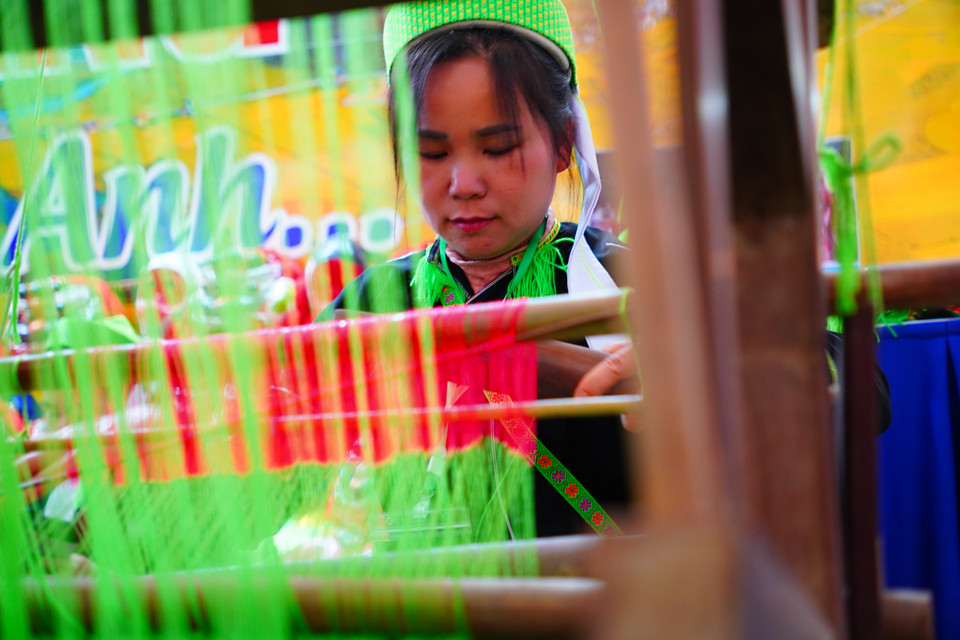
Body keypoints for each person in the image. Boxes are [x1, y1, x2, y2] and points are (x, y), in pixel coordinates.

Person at [321, 0, 634, 535]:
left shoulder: (624, 285)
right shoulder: (371, 306)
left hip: (612, 612)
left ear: (562, 145)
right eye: (432, 154)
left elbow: (815, 368)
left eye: (496, 147)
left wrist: (699, 379)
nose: (463, 183)